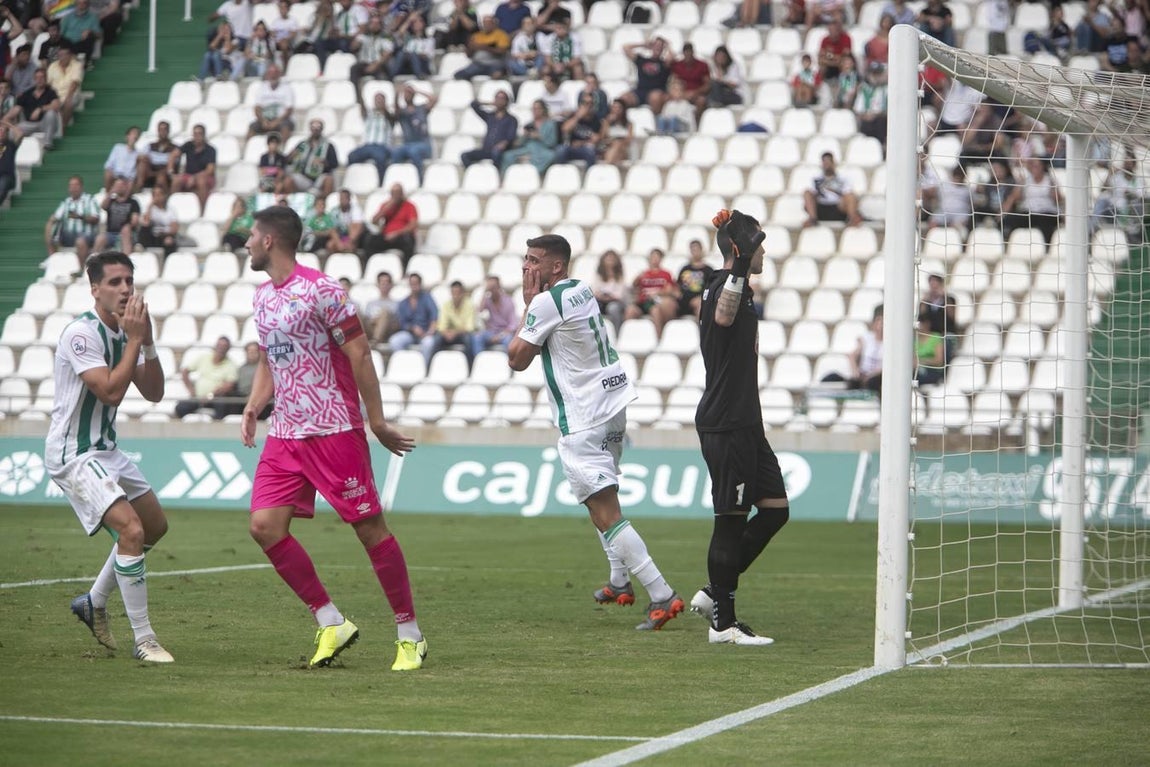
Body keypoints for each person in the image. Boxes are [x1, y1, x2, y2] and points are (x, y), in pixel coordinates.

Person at [240, 205, 427, 671]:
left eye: (251, 236)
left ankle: (410, 635)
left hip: (334, 429)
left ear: (269, 241)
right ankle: (330, 620)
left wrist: (377, 422)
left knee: (369, 531)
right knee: (264, 527)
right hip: (285, 433)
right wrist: (253, 404)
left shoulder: (323, 291)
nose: (245, 243)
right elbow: (269, 359)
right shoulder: (262, 297)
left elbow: (360, 353)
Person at [508, 234, 684, 631]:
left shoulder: (544, 301)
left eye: (535, 261)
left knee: (605, 510)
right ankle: (620, 581)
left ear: (557, 267)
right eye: (525, 260)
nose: (527, 268)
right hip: (612, 406)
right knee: (600, 501)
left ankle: (662, 594)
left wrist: (527, 305)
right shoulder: (580, 289)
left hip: (583, 418)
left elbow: (516, 358)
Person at [48, 251, 173, 662]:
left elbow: (154, 393)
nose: (125, 290)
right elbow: (110, 392)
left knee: (154, 526)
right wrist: (135, 339)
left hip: (105, 448)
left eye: (129, 282)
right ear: (95, 289)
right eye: (116, 282)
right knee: (131, 531)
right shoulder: (81, 334)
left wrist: (147, 342)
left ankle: (93, 601)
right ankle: (145, 640)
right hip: (74, 453)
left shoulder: (125, 333)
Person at [690, 209, 788, 646]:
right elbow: (724, 318)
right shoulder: (720, 288)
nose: (763, 250)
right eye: (757, 243)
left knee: (775, 510)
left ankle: (715, 592)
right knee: (729, 521)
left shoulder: (740, 289)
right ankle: (724, 624)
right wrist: (742, 263)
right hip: (727, 422)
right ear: (741, 249)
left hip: (747, 422)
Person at [822, 304, 883, 392]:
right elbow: (853, 356)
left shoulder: (890, 344)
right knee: (832, 378)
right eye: (878, 321)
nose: (880, 325)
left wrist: (873, 375)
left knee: (872, 383)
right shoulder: (866, 338)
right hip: (862, 375)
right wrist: (856, 373)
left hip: (875, 378)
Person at [175, 335, 239, 418]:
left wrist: (211, 395)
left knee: (222, 407)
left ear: (228, 349)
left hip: (216, 399)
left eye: (224, 347)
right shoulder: (204, 358)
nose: (221, 349)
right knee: (180, 407)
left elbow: (229, 385)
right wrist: (191, 390)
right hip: (198, 398)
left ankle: (216, 429)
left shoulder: (231, 364)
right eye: (219, 346)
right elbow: (185, 371)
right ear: (215, 346)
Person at [364, 183, 419, 270]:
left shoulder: (409, 206)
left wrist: (396, 234)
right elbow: (374, 221)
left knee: (408, 240)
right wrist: (386, 208)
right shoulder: (386, 205)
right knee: (370, 240)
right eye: (393, 193)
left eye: (398, 192)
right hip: (387, 236)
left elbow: (413, 225)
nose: (396, 195)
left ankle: (406, 269)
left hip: (401, 236)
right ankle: (370, 267)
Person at [5, 66, 62, 150]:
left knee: (51, 113)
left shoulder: (50, 92)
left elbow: (56, 105)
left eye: (42, 77)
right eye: (37, 78)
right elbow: (14, 112)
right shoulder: (27, 94)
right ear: (34, 79)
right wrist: (10, 124)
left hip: (45, 123)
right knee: (12, 132)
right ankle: (16, 152)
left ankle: (47, 144)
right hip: (29, 124)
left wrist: (40, 109)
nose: (39, 80)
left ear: (46, 79)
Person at [624, 247, 676, 337]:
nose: (654, 260)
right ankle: (627, 336)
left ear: (661, 259)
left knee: (655, 311)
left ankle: (658, 338)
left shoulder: (666, 274)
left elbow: (669, 290)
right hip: (642, 301)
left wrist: (657, 293)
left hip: (655, 302)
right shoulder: (643, 274)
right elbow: (633, 287)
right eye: (653, 257)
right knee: (630, 311)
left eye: (657, 257)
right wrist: (637, 278)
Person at [45, 175, 100, 260]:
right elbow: (56, 217)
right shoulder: (66, 202)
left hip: (86, 234)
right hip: (68, 235)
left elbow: (95, 218)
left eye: (76, 185)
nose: (73, 188)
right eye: (71, 185)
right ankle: (51, 258)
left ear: (81, 187)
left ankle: (82, 269)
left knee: (80, 240)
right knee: (50, 226)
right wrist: (53, 220)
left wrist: (79, 217)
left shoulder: (90, 200)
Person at [499, 99, 559, 175]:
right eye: (533, 109)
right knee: (508, 155)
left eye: (537, 109)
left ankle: (535, 173)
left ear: (543, 110)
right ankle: (505, 177)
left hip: (542, 150)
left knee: (551, 156)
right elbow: (518, 144)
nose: (534, 111)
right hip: (527, 149)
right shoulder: (529, 124)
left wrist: (539, 137)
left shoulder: (550, 124)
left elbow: (552, 143)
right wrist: (525, 135)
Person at [803, 152, 863, 227]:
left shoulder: (843, 179)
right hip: (821, 207)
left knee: (851, 196)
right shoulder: (816, 179)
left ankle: (852, 218)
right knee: (807, 193)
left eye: (828, 162)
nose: (826, 165)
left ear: (834, 163)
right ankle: (812, 219)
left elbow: (848, 195)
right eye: (824, 162)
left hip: (838, 207)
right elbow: (811, 195)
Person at [390, 272, 439, 364]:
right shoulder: (403, 303)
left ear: (420, 284)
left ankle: (424, 368)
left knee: (428, 343)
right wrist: (412, 328)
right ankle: (404, 364)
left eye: (416, 283)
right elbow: (402, 323)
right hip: (410, 334)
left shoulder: (427, 298)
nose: (414, 286)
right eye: (412, 283)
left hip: (426, 333)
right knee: (395, 341)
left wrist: (429, 332)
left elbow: (434, 316)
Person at [461, 91, 517, 168]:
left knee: (496, 153)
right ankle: (475, 173)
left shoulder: (511, 119)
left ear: (506, 101)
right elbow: (473, 104)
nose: (499, 100)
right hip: (486, 150)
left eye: (502, 99)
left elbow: (511, 137)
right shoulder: (490, 116)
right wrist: (489, 103)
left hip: (500, 151)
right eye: (497, 98)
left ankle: (496, 175)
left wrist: (503, 144)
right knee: (465, 156)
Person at [283, 119, 338, 198]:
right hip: (304, 177)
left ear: (321, 129)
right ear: (310, 129)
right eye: (313, 127)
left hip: (319, 177)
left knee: (329, 180)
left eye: (318, 127)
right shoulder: (303, 144)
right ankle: (294, 204)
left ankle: (322, 204)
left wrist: (324, 163)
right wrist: (291, 156)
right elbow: (287, 160)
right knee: (288, 181)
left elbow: (334, 164)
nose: (315, 130)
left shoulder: (328, 146)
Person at [347, 92, 395, 182]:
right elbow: (361, 104)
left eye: (381, 100)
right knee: (352, 156)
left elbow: (392, 117)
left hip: (382, 147)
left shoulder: (389, 117)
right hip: (367, 146)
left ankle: (381, 182)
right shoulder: (368, 115)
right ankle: (353, 181)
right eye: (377, 99)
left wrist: (384, 109)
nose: (379, 102)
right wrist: (359, 89)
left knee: (380, 158)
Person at [168, 123, 217, 208]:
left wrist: (194, 177)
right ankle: (173, 207)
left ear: (204, 135)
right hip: (188, 175)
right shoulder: (188, 145)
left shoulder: (210, 150)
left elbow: (210, 170)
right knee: (176, 180)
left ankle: (202, 210)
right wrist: (170, 171)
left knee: (201, 181)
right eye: (195, 134)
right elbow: (173, 155)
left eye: (199, 133)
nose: (197, 136)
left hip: (205, 176)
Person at [470, 274, 518, 357]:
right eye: (490, 287)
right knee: (477, 338)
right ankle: (480, 362)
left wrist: (499, 336)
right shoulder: (488, 300)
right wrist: (485, 292)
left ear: (499, 287)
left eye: (493, 287)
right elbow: (480, 311)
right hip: (491, 332)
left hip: (505, 332)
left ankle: (509, 365)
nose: (491, 290)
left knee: (509, 340)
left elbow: (512, 325)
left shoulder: (508, 301)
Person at [453, 15, 510, 80]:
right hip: (478, 64)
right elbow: (468, 55)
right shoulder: (476, 36)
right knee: (459, 75)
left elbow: (502, 51)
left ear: (494, 24)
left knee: (497, 76)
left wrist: (483, 47)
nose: (486, 25)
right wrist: (470, 48)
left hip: (495, 64)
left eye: (489, 23)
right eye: (484, 23)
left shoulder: (501, 35)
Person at [247, 65, 295, 142]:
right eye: (270, 73)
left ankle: (282, 149)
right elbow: (257, 108)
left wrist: (276, 122)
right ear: (267, 74)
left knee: (285, 127)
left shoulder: (287, 88)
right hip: (265, 119)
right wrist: (263, 120)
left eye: (275, 73)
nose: (273, 75)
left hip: (282, 119)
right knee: (252, 126)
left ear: (279, 74)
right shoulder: (262, 88)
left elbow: (289, 110)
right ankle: (247, 149)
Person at [919, 273, 958, 364]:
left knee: (946, 344)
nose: (933, 288)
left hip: (945, 334)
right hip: (930, 335)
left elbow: (952, 316)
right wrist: (924, 301)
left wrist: (945, 297)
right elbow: (922, 317)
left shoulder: (950, 300)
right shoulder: (926, 302)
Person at [435, 280, 477, 364]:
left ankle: (469, 366)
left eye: (458, 293)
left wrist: (455, 333)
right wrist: (446, 333)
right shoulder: (446, 305)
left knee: (469, 339)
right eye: (453, 293)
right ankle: (436, 365)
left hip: (462, 334)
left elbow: (470, 327)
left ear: (463, 293)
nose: (455, 296)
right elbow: (442, 326)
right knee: (436, 339)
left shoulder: (470, 305)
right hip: (449, 334)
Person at [95, 176, 140, 252]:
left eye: (121, 185)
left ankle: (126, 259)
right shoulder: (111, 201)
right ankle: (94, 261)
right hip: (111, 233)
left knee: (126, 230)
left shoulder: (133, 202)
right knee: (100, 238)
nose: (118, 187)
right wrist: (111, 192)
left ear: (125, 187)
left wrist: (127, 227)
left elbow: (134, 221)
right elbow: (103, 206)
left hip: (127, 234)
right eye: (116, 185)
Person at [45, 44, 83, 134]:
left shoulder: (77, 65)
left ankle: (63, 126)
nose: (63, 57)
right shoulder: (52, 66)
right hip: (55, 94)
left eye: (65, 55)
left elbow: (75, 83)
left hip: (71, 92)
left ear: (70, 55)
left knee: (69, 102)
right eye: (60, 55)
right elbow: (48, 84)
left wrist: (68, 97)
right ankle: (53, 129)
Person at [673, 239, 714, 319]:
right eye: (693, 249)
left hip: (699, 300)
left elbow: (711, 288)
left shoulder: (709, 270)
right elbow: (677, 285)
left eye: (697, 249)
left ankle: (702, 329)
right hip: (683, 301)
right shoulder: (685, 268)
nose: (695, 252)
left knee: (700, 305)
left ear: (701, 250)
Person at [591, 249, 627, 332]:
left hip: (615, 302)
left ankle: (616, 332)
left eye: (612, 259)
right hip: (601, 301)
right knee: (592, 307)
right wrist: (601, 296)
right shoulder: (599, 275)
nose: (610, 261)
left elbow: (620, 295)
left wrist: (610, 297)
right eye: (608, 259)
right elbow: (594, 290)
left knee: (613, 308)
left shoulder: (620, 276)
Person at [138, 184, 178, 256]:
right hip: (152, 235)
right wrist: (150, 206)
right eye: (155, 195)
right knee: (144, 228)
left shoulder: (170, 210)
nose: (157, 197)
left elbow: (174, 228)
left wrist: (164, 233)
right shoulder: (148, 209)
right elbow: (146, 222)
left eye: (159, 195)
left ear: (164, 196)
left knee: (169, 241)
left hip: (164, 235)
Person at [135, 120, 175, 192]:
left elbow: (173, 165)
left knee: (161, 176)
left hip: (164, 173)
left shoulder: (174, 148)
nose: (162, 132)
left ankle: (163, 198)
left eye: (165, 129)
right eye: (160, 129)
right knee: (142, 163)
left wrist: (153, 159)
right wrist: (146, 158)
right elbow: (140, 157)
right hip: (149, 172)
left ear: (168, 131)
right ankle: (138, 190)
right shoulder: (150, 146)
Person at [363, 271, 399, 344]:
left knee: (385, 312)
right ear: (378, 285)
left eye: (386, 283)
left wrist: (381, 319)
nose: (384, 285)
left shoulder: (396, 304)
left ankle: (376, 340)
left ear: (391, 285)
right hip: (370, 329)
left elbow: (396, 324)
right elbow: (366, 320)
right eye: (382, 283)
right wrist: (376, 320)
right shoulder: (371, 303)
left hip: (387, 332)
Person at [102, 126, 141, 192]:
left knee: (130, 182)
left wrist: (127, 179)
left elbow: (135, 172)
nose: (135, 135)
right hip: (115, 176)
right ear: (127, 136)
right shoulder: (118, 147)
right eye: (133, 133)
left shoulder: (138, 154)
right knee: (108, 172)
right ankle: (108, 192)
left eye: (137, 134)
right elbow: (109, 164)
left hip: (127, 180)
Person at [0, 119, 23, 207]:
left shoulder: (10, 145)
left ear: (7, 133)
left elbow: (20, 134)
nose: (1, 133)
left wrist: (7, 124)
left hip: (7, 177)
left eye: (3, 131)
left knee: (2, 184)